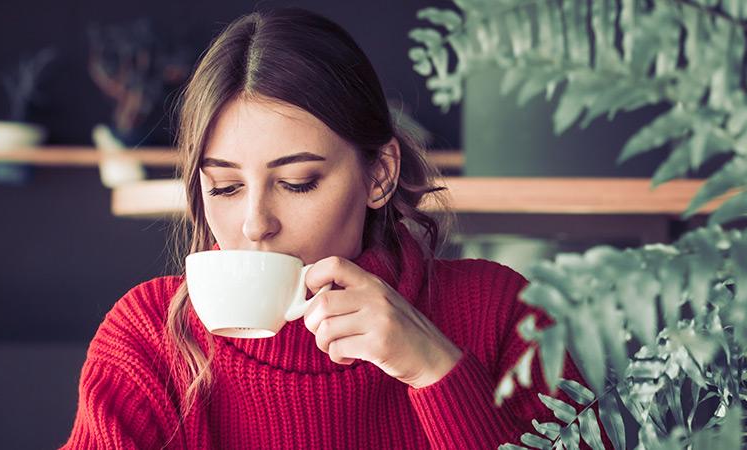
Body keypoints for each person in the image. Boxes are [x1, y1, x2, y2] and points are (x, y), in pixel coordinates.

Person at [60, 8, 604, 450]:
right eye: (224, 187)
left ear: (380, 174)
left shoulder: (499, 311)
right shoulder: (149, 340)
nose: (254, 224)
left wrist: (438, 372)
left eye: (297, 182)